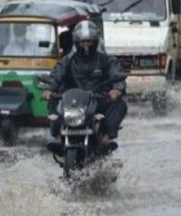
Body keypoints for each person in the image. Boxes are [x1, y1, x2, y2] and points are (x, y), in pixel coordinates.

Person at [41, 20, 127, 148]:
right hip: (72, 101)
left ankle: (106, 138)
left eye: (89, 41)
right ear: (76, 42)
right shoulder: (68, 60)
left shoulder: (106, 59)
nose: (85, 45)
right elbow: (56, 75)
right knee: (54, 101)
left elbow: (117, 75)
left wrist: (117, 90)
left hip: (98, 99)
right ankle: (58, 137)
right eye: (82, 41)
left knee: (120, 104)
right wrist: (49, 89)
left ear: (95, 41)